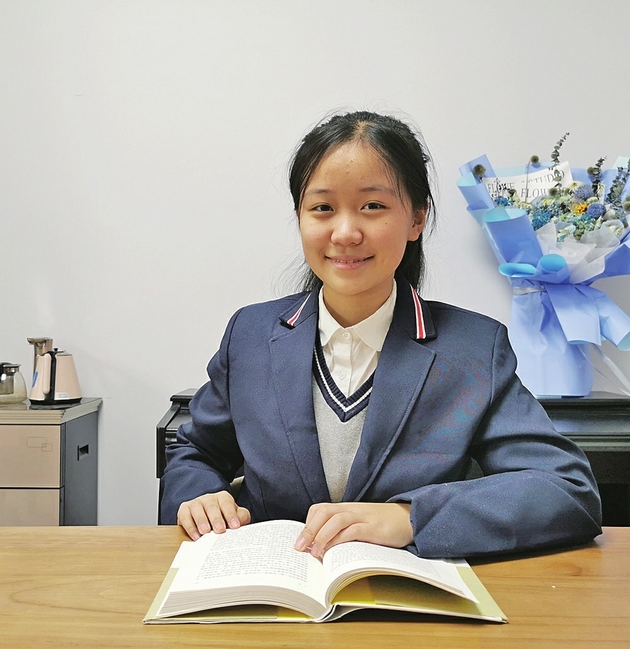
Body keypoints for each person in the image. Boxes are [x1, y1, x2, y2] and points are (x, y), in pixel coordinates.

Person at [160, 110, 602, 558]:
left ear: (416, 219)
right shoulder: (250, 335)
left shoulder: (472, 349)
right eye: (322, 208)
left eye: (372, 206)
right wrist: (199, 497)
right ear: (300, 217)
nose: (345, 233)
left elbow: (566, 491)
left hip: (403, 594)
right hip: (274, 587)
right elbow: (195, 452)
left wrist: (412, 518)